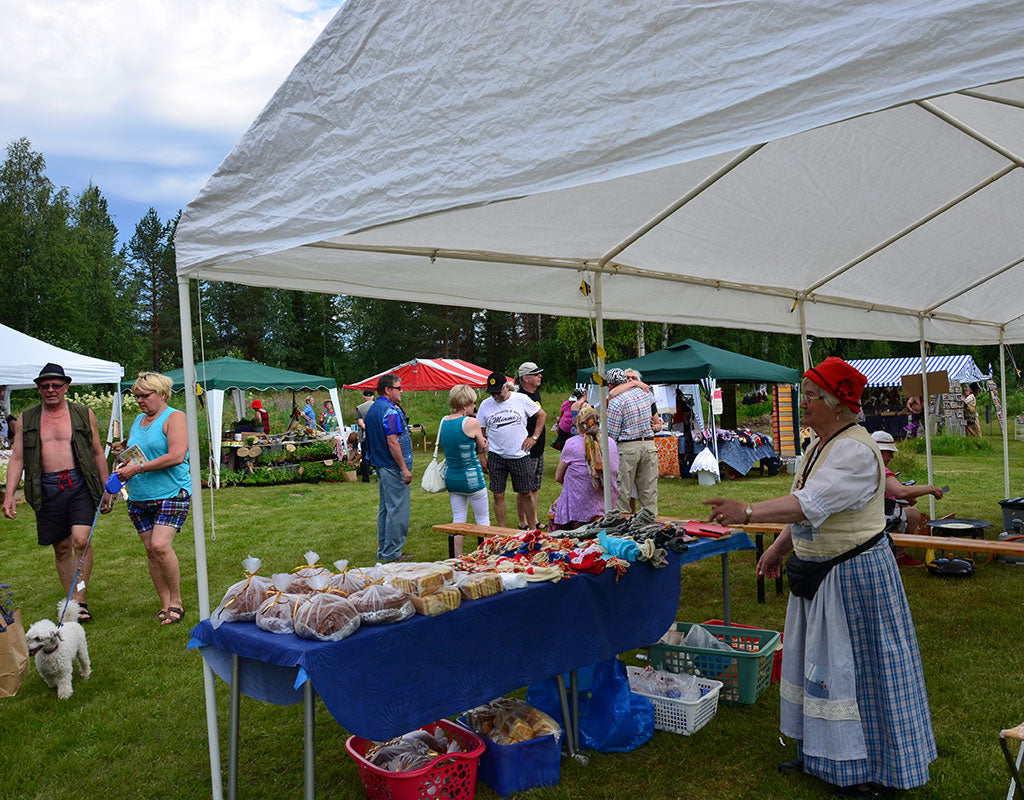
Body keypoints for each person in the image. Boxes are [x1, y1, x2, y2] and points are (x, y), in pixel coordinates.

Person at [704, 357, 936, 796]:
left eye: (811, 397)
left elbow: (810, 504)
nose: (803, 404)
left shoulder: (854, 450)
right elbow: (806, 507)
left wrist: (748, 512)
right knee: (818, 668)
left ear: (837, 404)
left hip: (854, 577)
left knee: (859, 673)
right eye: (805, 395)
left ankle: (871, 768)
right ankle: (819, 754)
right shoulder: (817, 446)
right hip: (818, 575)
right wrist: (777, 548)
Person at [2, 363, 109, 623]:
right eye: (45, 385)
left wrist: (107, 489)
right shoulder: (27, 418)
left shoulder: (83, 414)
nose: (51, 390)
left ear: (66, 387)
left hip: (79, 483)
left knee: (80, 540)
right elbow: (17, 458)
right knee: (61, 548)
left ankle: (80, 601)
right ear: (38, 389)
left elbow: (96, 452)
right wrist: (8, 495)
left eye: (56, 385)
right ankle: (72, 601)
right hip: (45, 486)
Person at [114, 371, 192, 625]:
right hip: (140, 495)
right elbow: (140, 453)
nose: (139, 401)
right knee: (150, 551)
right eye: (136, 396)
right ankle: (165, 603)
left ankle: (177, 602)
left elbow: (177, 455)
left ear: (161, 394)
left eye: (144, 396)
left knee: (160, 545)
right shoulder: (138, 420)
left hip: (172, 492)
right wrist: (124, 463)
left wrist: (136, 468)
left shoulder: (175, 418)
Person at [477, 371, 545, 529]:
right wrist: (481, 456)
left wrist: (534, 438)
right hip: (496, 455)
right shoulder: (485, 405)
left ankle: (532, 530)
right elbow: (480, 433)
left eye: (498, 392)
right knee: (498, 494)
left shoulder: (521, 399)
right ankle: (502, 531)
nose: (495, 396)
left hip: (519, 455)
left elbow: (541, 415)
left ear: (506, 387)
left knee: (526, 493)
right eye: (492, 393)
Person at [870, 430, 944, 567]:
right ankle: (899, 555)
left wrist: (904, 501)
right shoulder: (880, 469)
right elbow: (901, 491)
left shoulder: (867, 467)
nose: (892, 457)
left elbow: (887, 493)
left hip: (871, 510)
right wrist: (930, 489)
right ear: (879, 452)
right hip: (876, 515)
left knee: (906, 508)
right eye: (890, 453)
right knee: (914, 513)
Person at [364, 373, 412, 562]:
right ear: (387, 390)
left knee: (386, 509)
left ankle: (384, 550)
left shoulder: (373, 408)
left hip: (381, 464)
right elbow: (393, 442)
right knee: (397, 510)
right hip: (392, 466)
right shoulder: (390, 411)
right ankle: (392, 552)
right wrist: (404, 468)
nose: (402, 391)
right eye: (398, 388)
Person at [439, 384, 489, 555]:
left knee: (458, 520)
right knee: (482, 519)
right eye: (473, 403)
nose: (475, 406)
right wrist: (485, 445)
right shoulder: (471, 422)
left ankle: (456, 557)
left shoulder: (443, 421)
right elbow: (482, 447)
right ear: (465, 404)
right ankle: (485, 555)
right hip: (472, 478)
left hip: (452, 477)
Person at [551, 406, 619, 530]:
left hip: (579, 509)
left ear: (579, 424)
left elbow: (558, 477)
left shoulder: (571, 443)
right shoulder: (610, 442)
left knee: (557, 505)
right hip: (607, 502)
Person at [605, 367, 659, 516]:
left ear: (610, 385)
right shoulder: (646, 394)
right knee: (649, 491)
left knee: (622, 493)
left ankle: (621, 526)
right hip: (649, 445)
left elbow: (611, 434)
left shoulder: (616, 402)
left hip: (627, 447)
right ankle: (650, 524)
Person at [516, 362, 546, 527]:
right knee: (524, 489)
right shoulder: (520, 396)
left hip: (538, 448)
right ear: (525, 378)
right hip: (527, 449)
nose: (540, 376)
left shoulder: (536, 394)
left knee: (534, 487)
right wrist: (532, 437)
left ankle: (533, 519)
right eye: (536, 374)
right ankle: (523, 522)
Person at [354, 388, 375, 482]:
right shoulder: (379, 406)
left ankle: (366, 478)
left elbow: (360, 423)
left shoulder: (360, 408)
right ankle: (380, 476)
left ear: (364, 397)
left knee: (365, 455)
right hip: (377, 435)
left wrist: (369, 429)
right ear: (373, 396)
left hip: (365, 436)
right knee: (378, 454)